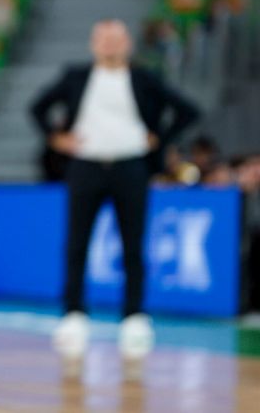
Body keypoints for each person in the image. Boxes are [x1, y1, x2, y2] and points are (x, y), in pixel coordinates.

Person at [30, 19, 199, 361]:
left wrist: (160, 139)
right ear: (93, 43)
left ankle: (134, 316)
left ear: (127, 43)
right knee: (77, 242)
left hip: (131, 167)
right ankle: (74, 314)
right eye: (103, 38)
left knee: (133, 244)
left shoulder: (144, 78)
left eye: (115, 38)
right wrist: (56, 138)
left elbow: (188, 111)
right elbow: (38, 107)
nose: (109, 44)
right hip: (85, 166)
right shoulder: (76, 76)